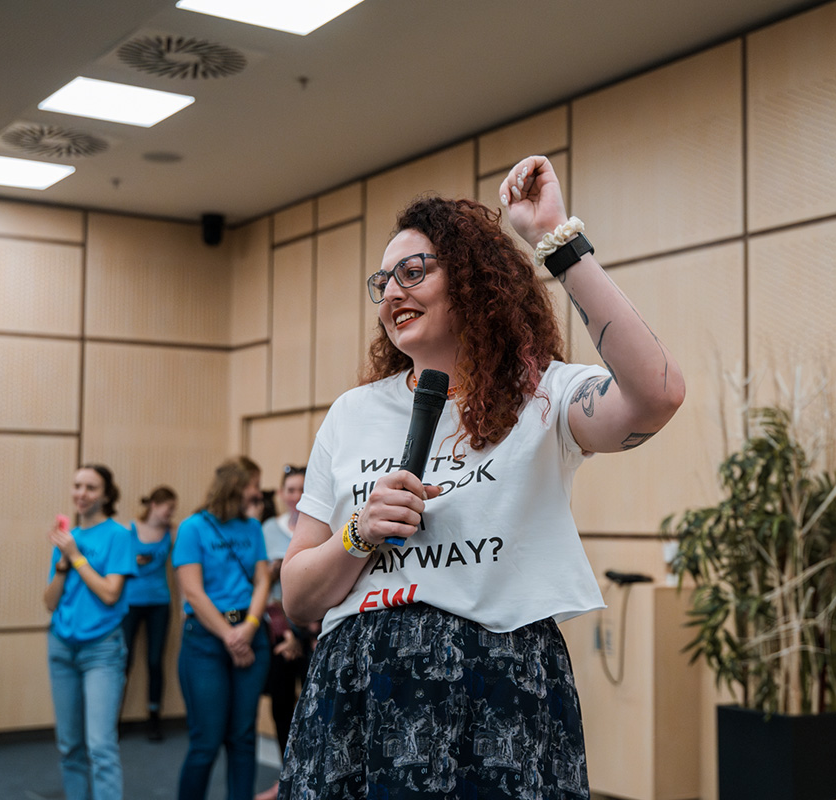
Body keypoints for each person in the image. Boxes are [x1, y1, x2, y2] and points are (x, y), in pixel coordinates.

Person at [276, 155, 685, 799]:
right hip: (357, 692)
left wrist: (557, 241)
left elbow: (657, 395)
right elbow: (298, 597)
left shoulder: (544, 396)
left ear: (471, 281)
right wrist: (358, 532)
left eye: (414, 272)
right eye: (383, 281)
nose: (393, 292)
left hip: (496, 688)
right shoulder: (351, 414)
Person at [173, 456, 271, 800]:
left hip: (250, 634)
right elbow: (193, 593)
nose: (257, 493)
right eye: (253, 485)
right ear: (235, 486)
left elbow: (262, 581)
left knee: (243, 737)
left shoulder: (253, 528)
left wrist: (249, 628)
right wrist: (231, 636)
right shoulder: (192, 528)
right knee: (207, 740)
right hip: (205, 641)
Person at [43, 464, 137, 800]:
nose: (81, 493)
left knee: (100, 746)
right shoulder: (68, 538)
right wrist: (62, 564)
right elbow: (50, 602)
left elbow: (110, 593)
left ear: (106, 495)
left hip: (102, 650)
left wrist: (75, 556)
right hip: (61, 647)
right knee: (69, 745)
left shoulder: (118, 535)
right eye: (77, 486)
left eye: (91, 487)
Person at [255, 466, 317, 800]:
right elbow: (263, 588)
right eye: (290, 490)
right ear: (280, 494)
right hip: (278, 636)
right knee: (281, 707)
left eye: (302, 489)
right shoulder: (268, 529)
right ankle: (286, 777)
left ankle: (314, 777)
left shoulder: (321, 524)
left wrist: (305, 633)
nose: (296, 496)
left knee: (315, 707)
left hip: (314, 633)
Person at [121, 486, 177, 742]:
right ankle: (113, 719)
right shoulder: (128, 530)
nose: (171, 513)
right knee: (124, 661)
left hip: (159, 603)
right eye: (169, 508)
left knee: (155, 661)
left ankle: (154, 718)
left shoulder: (172, 533)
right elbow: (116, 564)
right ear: (154, 505)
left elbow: (183, 567)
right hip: (130, 603)